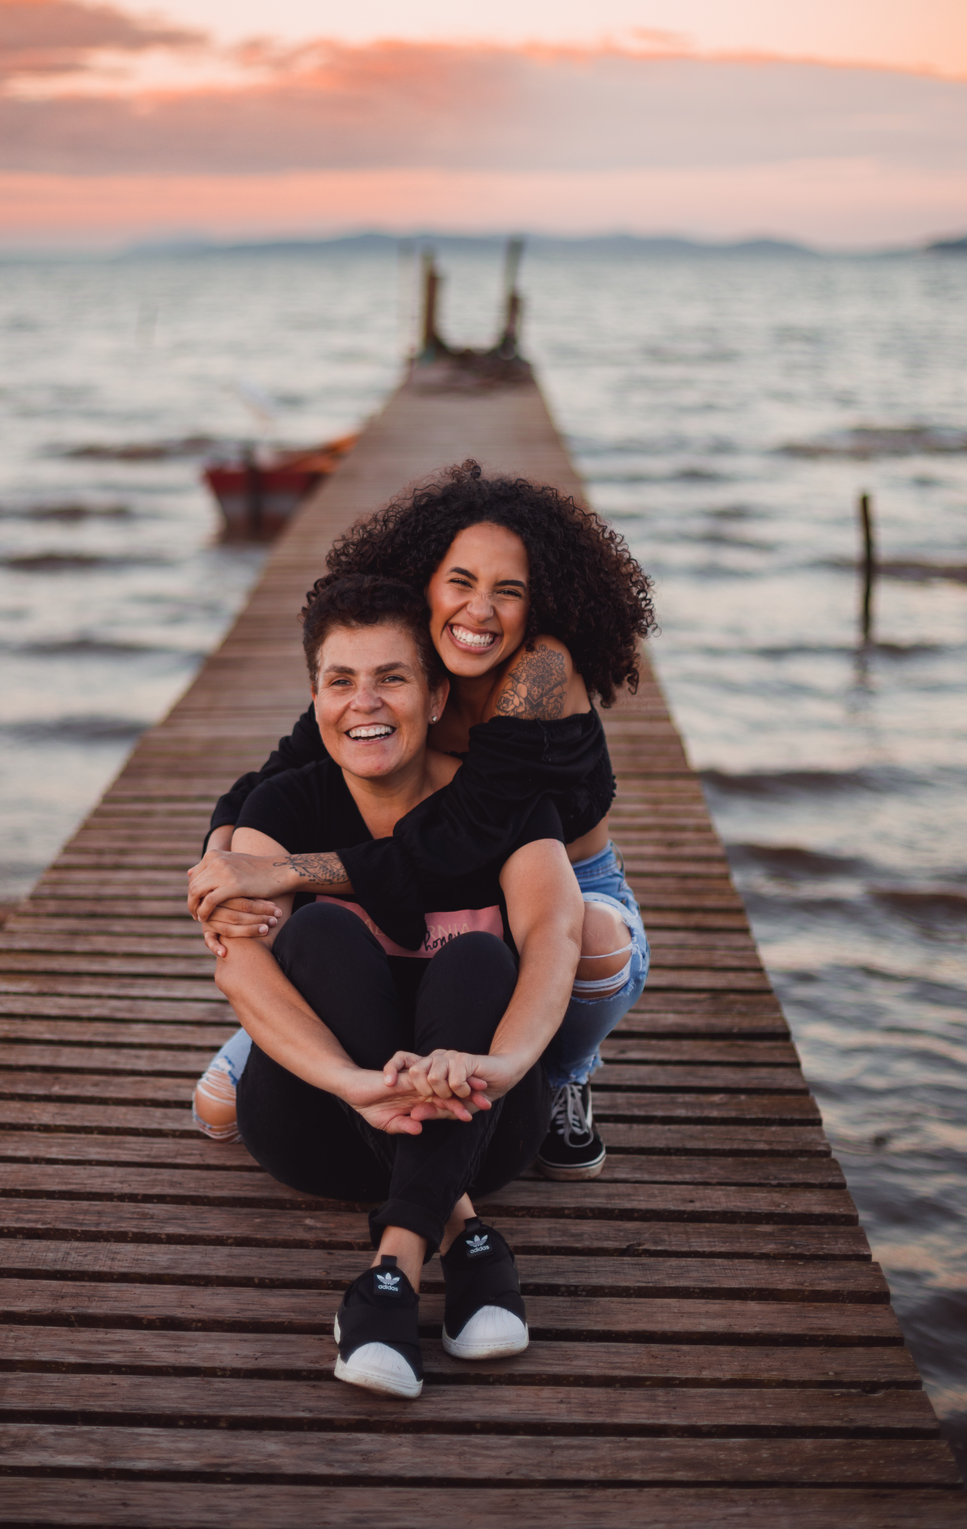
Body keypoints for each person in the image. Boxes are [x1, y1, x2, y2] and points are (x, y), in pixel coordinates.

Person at [188, 459, 656, 1178]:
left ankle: (562, 1073)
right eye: (460, 582)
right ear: (425, 581)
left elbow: (455, 838)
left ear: (540, 606)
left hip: (543, 880)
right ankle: (282, 1037)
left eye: (510, 592)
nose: (479, 612)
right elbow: (284, 770)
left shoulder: (541, 672)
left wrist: (281, 867)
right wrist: (221, 863)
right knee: (230, 1090)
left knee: (592, 941)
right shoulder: (401, 658)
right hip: (428, 889)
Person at [206, 574, 583, 1399]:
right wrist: (356, 1085)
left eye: (392, 677)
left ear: (437, 692)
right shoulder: (285, 805)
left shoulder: (500, 808)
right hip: (321, 1126)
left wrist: (508, 1066)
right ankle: (466, 1237)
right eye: (341, 680)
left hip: (487, 1122)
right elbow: (237, 959)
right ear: (315, 697)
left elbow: (557, 935)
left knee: (482, 962)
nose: (363, 702)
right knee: (319, 932)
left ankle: (392, 1272)